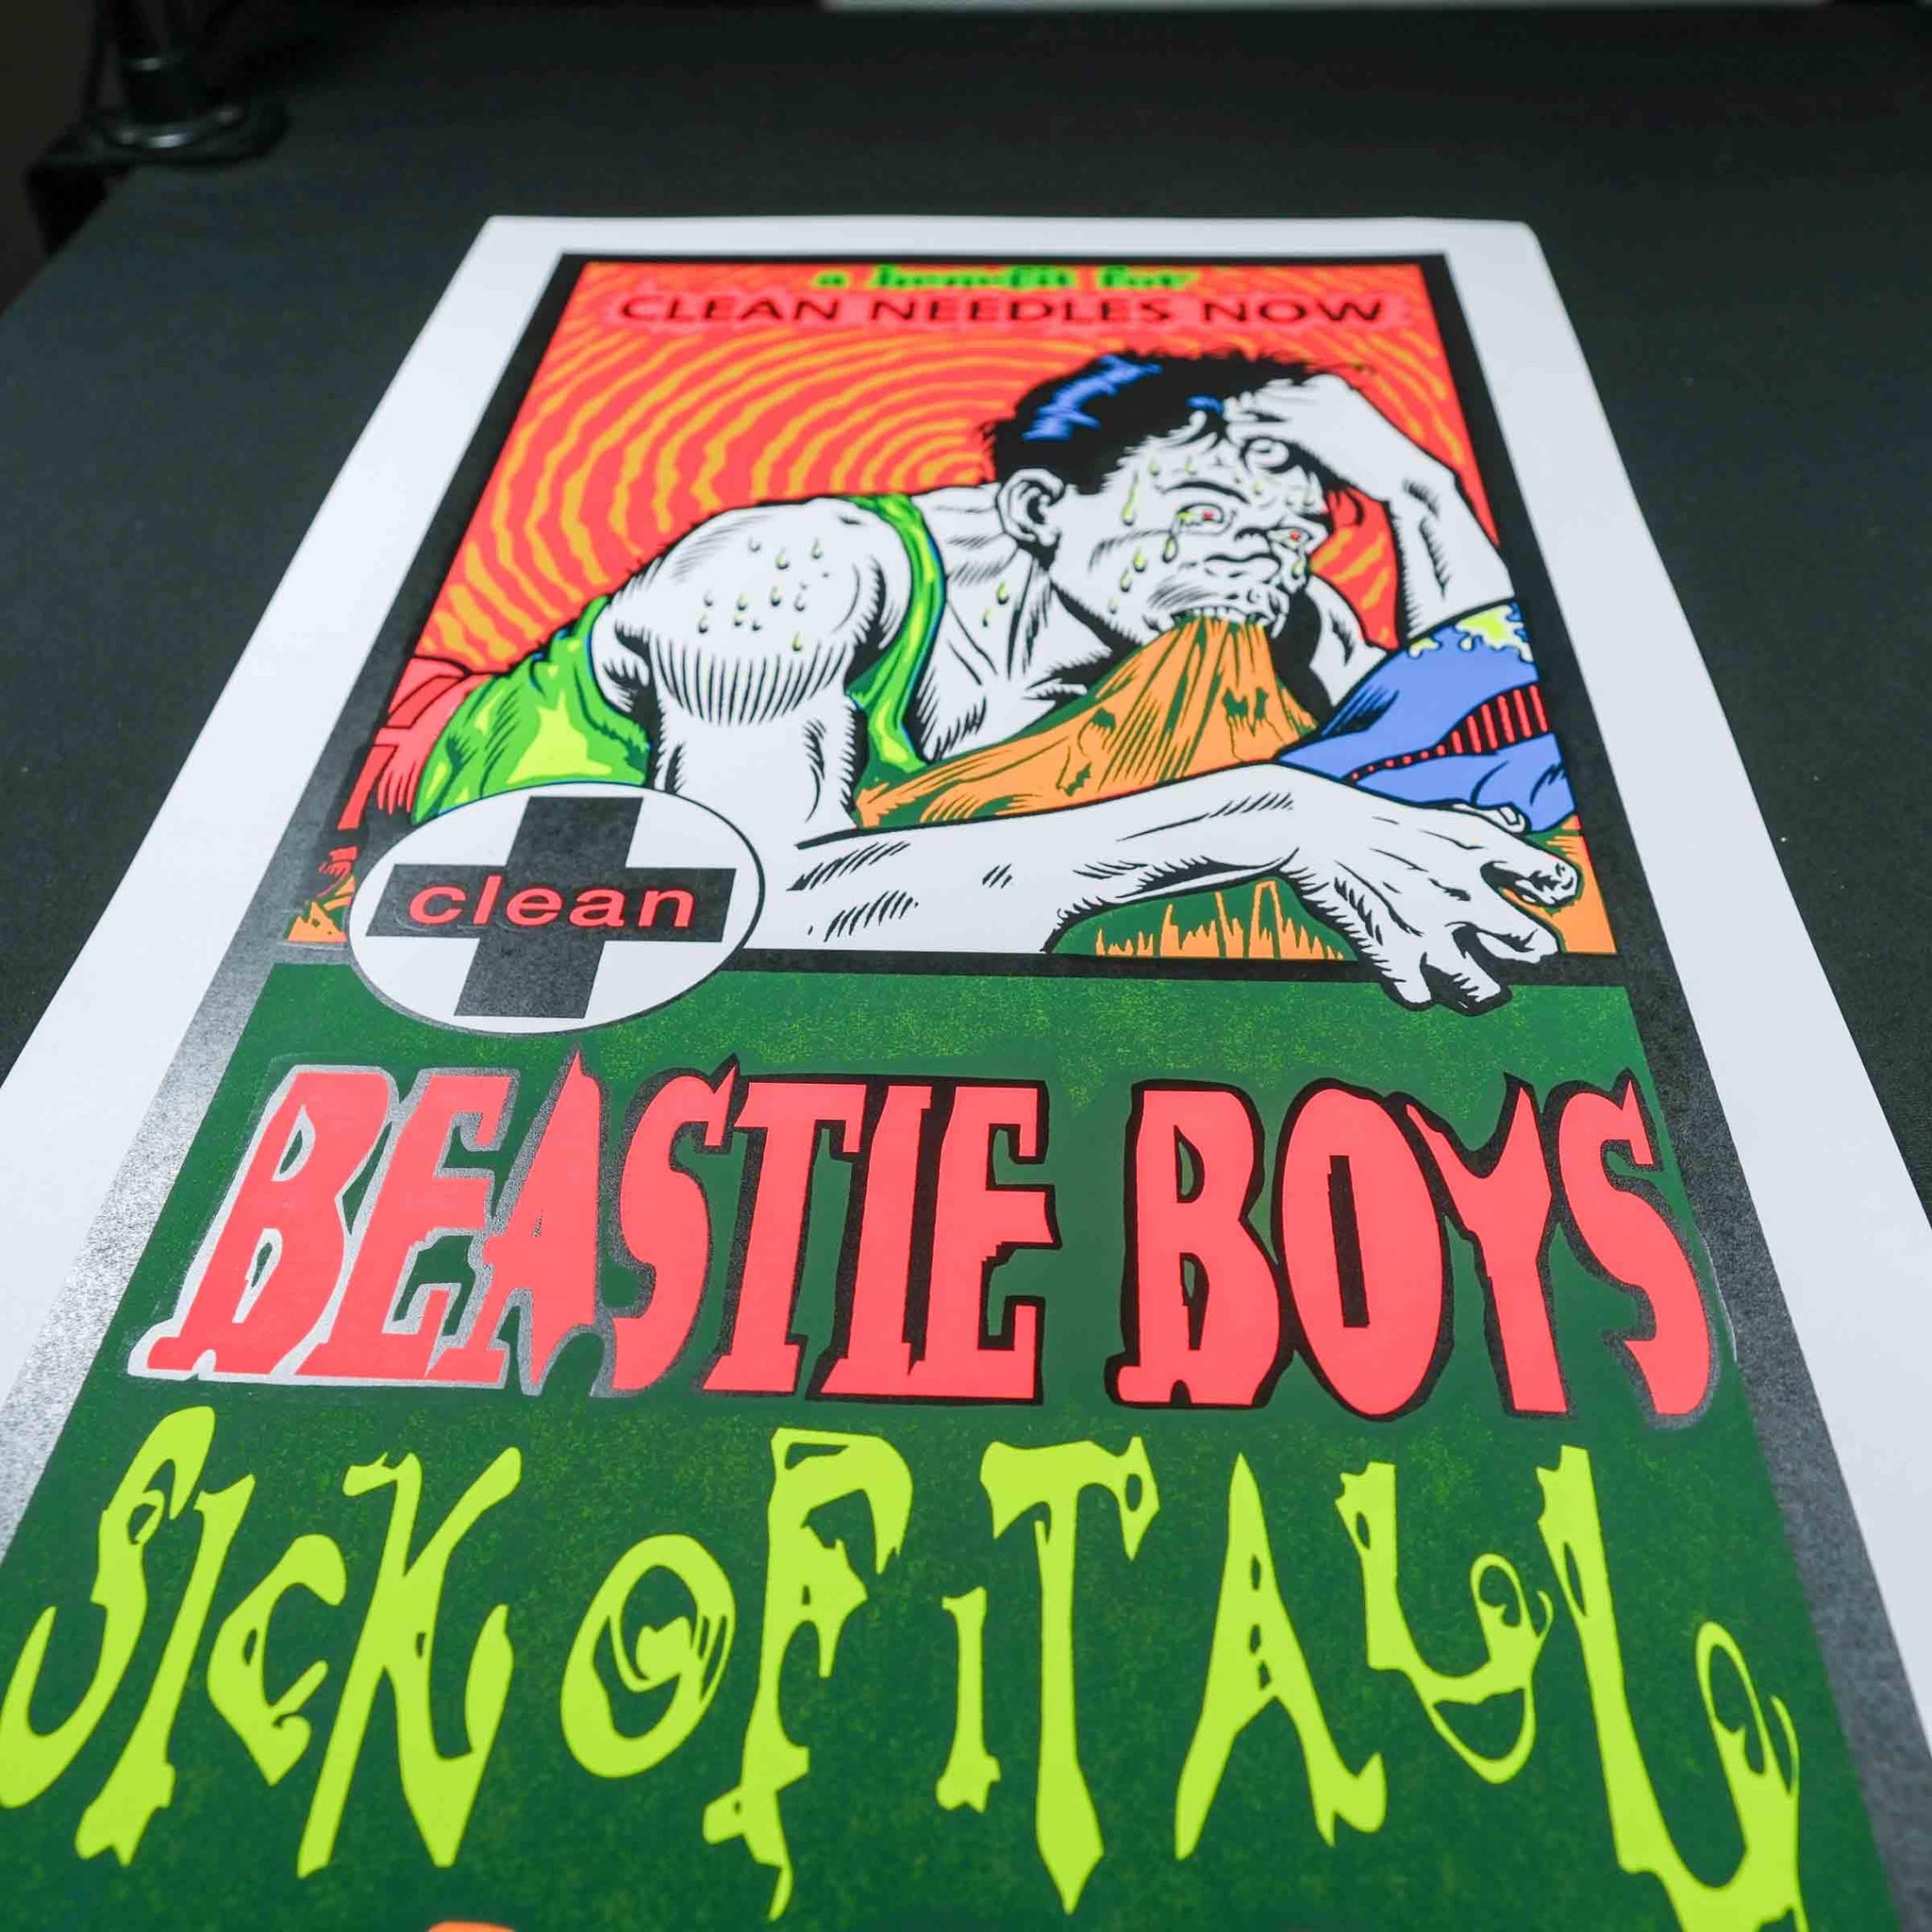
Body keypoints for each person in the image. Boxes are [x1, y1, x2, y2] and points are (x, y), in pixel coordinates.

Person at [404, 351, 1579, 1011]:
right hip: (435, 811)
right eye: (1203, 512)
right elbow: (743, 916)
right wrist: (1259, 813)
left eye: (1290, 533)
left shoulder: (1263, 615)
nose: (1257, 558)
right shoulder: (796, 570)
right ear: (1036, 508)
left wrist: (1419, 487)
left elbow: (1490, 724)